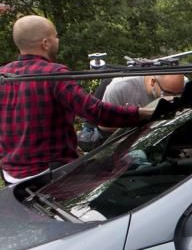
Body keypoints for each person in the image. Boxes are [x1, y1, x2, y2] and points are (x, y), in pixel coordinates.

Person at [0, 16, 153, 183]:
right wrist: (141, 113)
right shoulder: (54, 74)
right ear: (45, 43)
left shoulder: (3, 74)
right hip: (49, 175)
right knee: (131, 169)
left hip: (12, 176)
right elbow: (95, 111)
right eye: (55, 36)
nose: (57, 41)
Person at [103, 74, 186, 108]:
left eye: (179, 94)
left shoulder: (183, 84)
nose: (173, 98)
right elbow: (104, 126)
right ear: (153, 82)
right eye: (168, 93)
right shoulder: (119, 88)